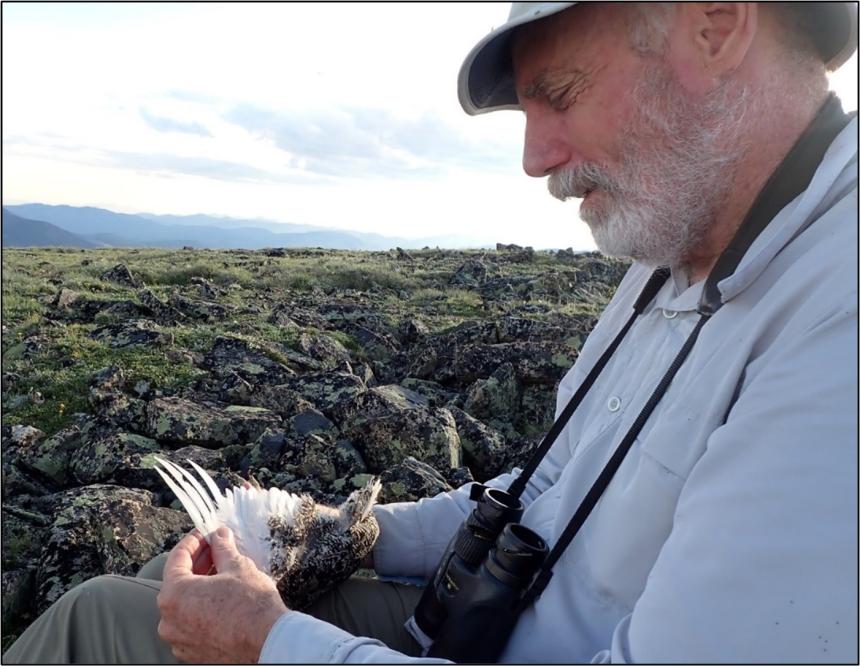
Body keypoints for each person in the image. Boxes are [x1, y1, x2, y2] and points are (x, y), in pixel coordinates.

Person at [4, 2, 857, 663]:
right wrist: (356, 529)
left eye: (557, 96)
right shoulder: (681, 245)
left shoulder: (834, 309)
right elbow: (553, 481)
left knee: (96, 626)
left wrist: (269, 643)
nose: (534, 157)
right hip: (477, 620)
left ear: (714, 24)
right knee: (172, 587)